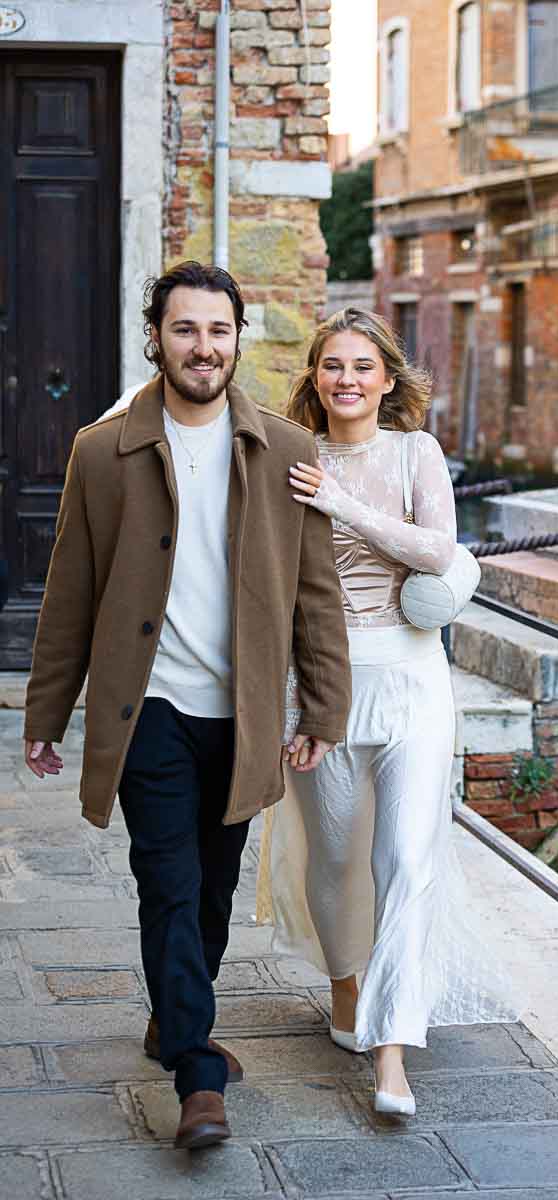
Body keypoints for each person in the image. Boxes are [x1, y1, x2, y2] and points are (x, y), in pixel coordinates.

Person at [22, 262, 351, 1149]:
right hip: (150, 711)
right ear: (156, 337)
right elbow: (70, 593)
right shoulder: (103, 449)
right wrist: (46, 715)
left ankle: (175, 1020)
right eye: (185, 330)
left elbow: (316, 593)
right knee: (166, 885)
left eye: (218, 331)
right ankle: (198, 1077)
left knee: (211, 890)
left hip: (242, 714)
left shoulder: (287, 449)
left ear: (238, 338)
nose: (203, 348)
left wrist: (323, 706)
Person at [257, 308, 517, 1118]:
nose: (347, 380)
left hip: (410, 679)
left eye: (362, 366)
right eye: (332, 365)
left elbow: (438, 551)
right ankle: (344, 989)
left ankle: (392, 1053)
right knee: (333, 857)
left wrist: (343, 504)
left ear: (388, 378)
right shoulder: (290, 458)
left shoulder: (415, 452)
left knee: (406, 858)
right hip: (319, 685)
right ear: (314, 377)